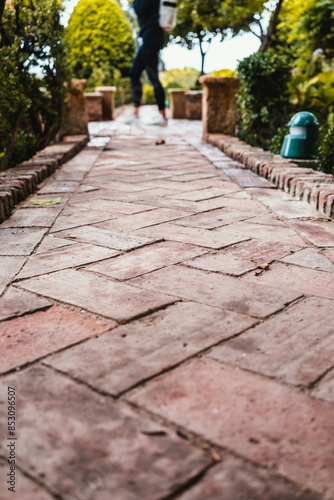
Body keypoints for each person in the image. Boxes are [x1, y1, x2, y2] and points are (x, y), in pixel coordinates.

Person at [122, 0, 167, 126]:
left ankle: (162, 115)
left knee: (152, 75)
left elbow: (139, 9)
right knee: (134, 73)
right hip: (149, 37)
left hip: (152, 36)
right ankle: (136, 112)